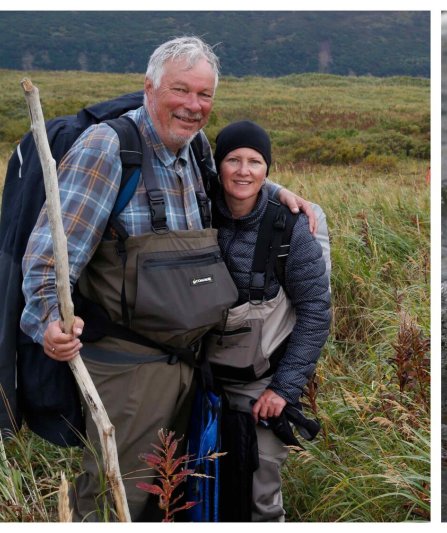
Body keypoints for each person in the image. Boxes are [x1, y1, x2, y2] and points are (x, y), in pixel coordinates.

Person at [20, 37, 314, 521]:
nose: (194, 106)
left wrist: (276, 190)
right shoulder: (109, 148)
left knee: (172, 496)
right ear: (150, 88)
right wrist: (50, 320)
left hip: (191, 367)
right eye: (181, 90)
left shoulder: (195, 149)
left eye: (205, 95)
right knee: (118, 497)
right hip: (127, 369)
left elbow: (237, 182)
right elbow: (50, 256)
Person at [206, 120, 331, 521]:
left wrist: (283, 389)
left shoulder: (291, 227)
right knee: (199, 485)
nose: (244, 171)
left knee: (261, 491)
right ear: (217, 166)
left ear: (267, 169)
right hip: (199, 376)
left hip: (263, 378)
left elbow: (315, 312)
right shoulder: (196, 210)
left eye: (255, 162)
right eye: (233, 160)